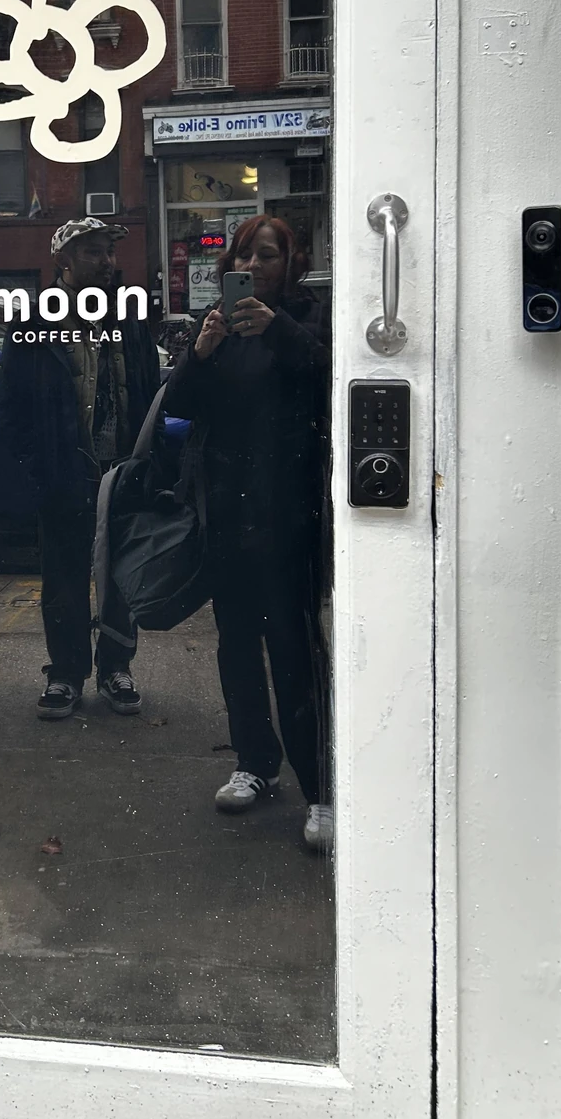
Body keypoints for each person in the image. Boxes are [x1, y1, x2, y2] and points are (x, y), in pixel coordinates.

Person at [163, 215, 334, 851]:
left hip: (287, 513)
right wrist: (200, 353)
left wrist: (278, 328)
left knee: (294, 651)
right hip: (228, 514)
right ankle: (255, 763)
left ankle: (322, 787)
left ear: (291, 263)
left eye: (267, 256)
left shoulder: (309, 316)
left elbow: (327, 379)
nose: (254, 266)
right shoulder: (217, 325)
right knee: (235, 646)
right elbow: (179, 405)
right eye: (244, 256)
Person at [0, 218, 161, 720]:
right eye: (94, 252)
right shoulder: (33, 324)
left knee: (121, 578)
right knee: (64, 580)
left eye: (110, 251)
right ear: (63, 261)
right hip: (65, 475)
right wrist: (38, 469)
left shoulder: (129, 320)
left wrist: (145, 463)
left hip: (121, 474)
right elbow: (14, 405)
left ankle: (116, 667)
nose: (107, 261)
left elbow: (148, 391)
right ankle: (66, 674)